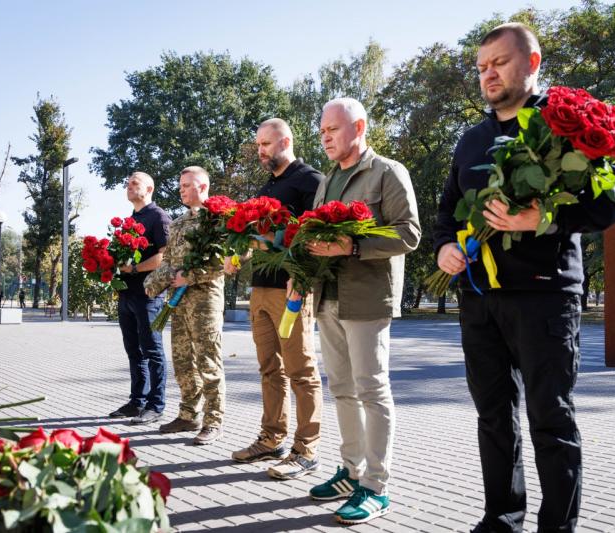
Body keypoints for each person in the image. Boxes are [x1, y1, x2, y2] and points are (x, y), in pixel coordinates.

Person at [432, 23, 615, 533]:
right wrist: (443, 251)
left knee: (551, 419)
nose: (488, 74)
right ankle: (502, 518)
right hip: (479, 299)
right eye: (482, 67)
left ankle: (558, 527)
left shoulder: (563, 124)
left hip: (544, 297)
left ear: (533, 61)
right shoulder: (471, 139)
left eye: (499, 63)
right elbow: (445, 215)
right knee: (493, 418)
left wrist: (545, 218)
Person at [305, 97, 421, 525]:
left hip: (367, 299)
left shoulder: (387, 172)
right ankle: (349, 471)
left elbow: (409, 234)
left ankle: (376, 485)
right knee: (340, 388)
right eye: (321, 132)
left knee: (371, 389)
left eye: (332, 129)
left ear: (358, 127)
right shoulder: (327, 180)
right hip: (328, 297)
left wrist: (354, 246)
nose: (325, 138)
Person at [226, 118, 324, 479]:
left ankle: (306, 450)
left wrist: (302, 278)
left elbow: (317, 235)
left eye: (265, 145)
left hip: (292, 291)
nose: (260, 152)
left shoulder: (310, 181)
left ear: (285, 141)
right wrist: (239, 252)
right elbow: (260, 237)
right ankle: (271, 438)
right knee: (270, 370)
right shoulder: (269, 185)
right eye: (258, 146)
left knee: (301, 372)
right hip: (261, 289)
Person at [144, 167, 226, 445]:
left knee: (208, 361)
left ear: (203, 187)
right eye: (180, 185)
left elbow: (224, 263)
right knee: (182, 361)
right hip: (178, 303)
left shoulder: (218, 221)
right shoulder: (178, 223)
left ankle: (213, 421)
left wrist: (190, 276)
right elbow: (168, 262)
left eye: (187, 185)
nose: (181, 190)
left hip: (204, 302)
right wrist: (153, 283)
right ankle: (188, 414)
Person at [108, 171, 172, 425]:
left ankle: (156, 405)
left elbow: (164, 257)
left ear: (150, 188)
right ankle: (137, 401)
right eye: (128, 184)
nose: (129, 187)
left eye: (135, 183)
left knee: (152, 350)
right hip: (127, 294)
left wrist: (134, 269)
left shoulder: (158, 217)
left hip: (149, 295)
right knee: (134, 351)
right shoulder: (130, 221)